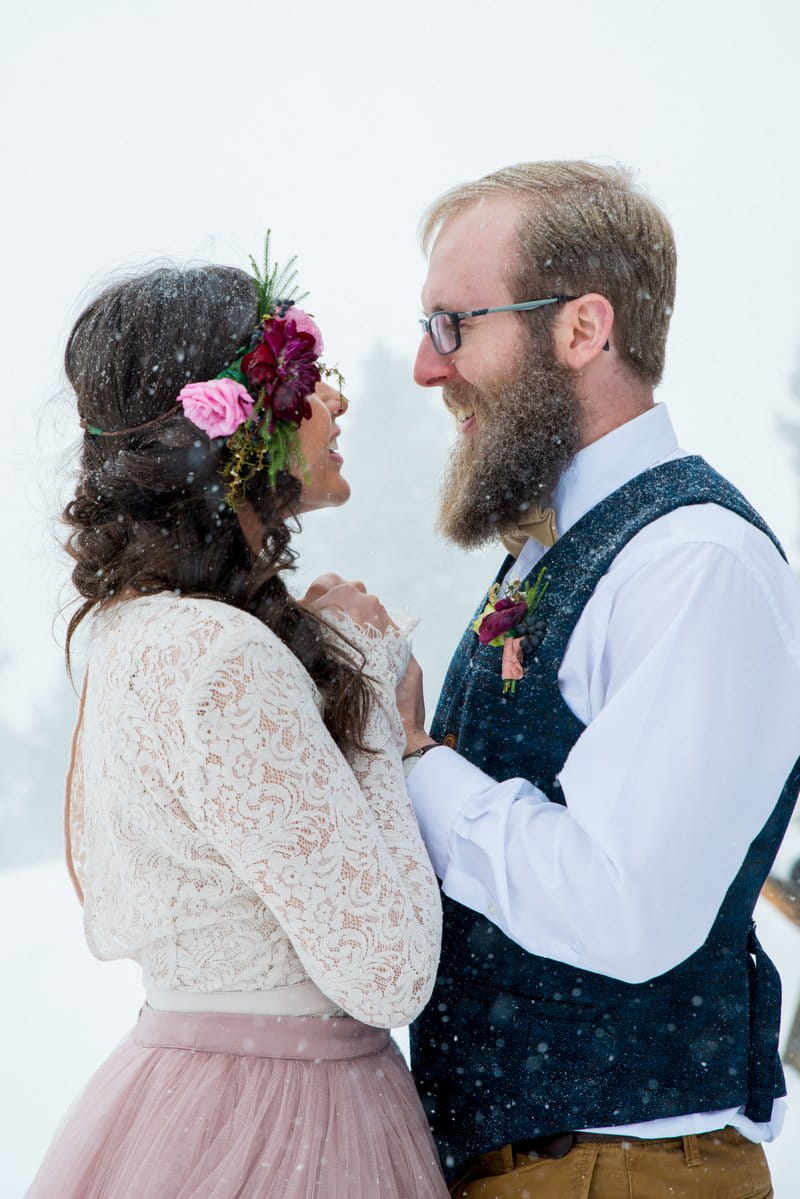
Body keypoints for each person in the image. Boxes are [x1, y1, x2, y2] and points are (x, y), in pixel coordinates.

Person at [399, 161, 800, 1198]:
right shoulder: (561, 544)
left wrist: (416, 764)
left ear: (581, 329)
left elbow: (625, 908)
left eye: (452, 325)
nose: (422, 367)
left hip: (617, 1171)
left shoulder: (692, 561)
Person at [25, 250, 448, 1199]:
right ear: (234, 429)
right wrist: (377, 696)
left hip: (185, 1097)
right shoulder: (219, 655)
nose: (336, 404)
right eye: (306, 376)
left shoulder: (132, 630)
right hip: (285, 1125)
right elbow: (391, 972)